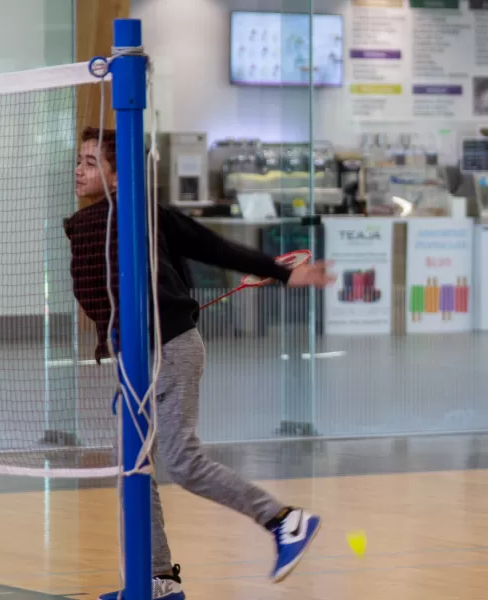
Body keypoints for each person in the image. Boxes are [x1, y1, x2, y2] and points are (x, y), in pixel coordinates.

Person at [64, 127, 332, 600]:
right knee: (131, 464)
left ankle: (283, 520)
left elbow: (215, 248)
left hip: (169, 350)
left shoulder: (129, 216)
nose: (79, 170)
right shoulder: (111, 221)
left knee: (182, 461)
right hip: (141, 358)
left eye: (90, 161)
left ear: (116, 172)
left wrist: (285, 272)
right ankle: (158, 580)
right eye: (79, 160)